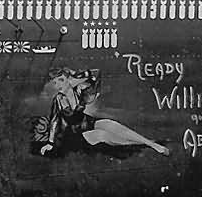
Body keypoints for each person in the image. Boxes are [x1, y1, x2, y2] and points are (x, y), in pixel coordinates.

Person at [37, 67, 168, 156]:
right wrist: (50, 143)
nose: (59, 85)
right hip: (74, 133)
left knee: (110, 124)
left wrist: (81, 76)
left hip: (86, 121)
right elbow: (54, 121)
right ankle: (146, 144)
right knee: (103, 135)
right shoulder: (59, 100)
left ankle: (152, 144)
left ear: (68, 79)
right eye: (55, 82)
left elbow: (96, 73)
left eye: (61, 80)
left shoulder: (77, 89)